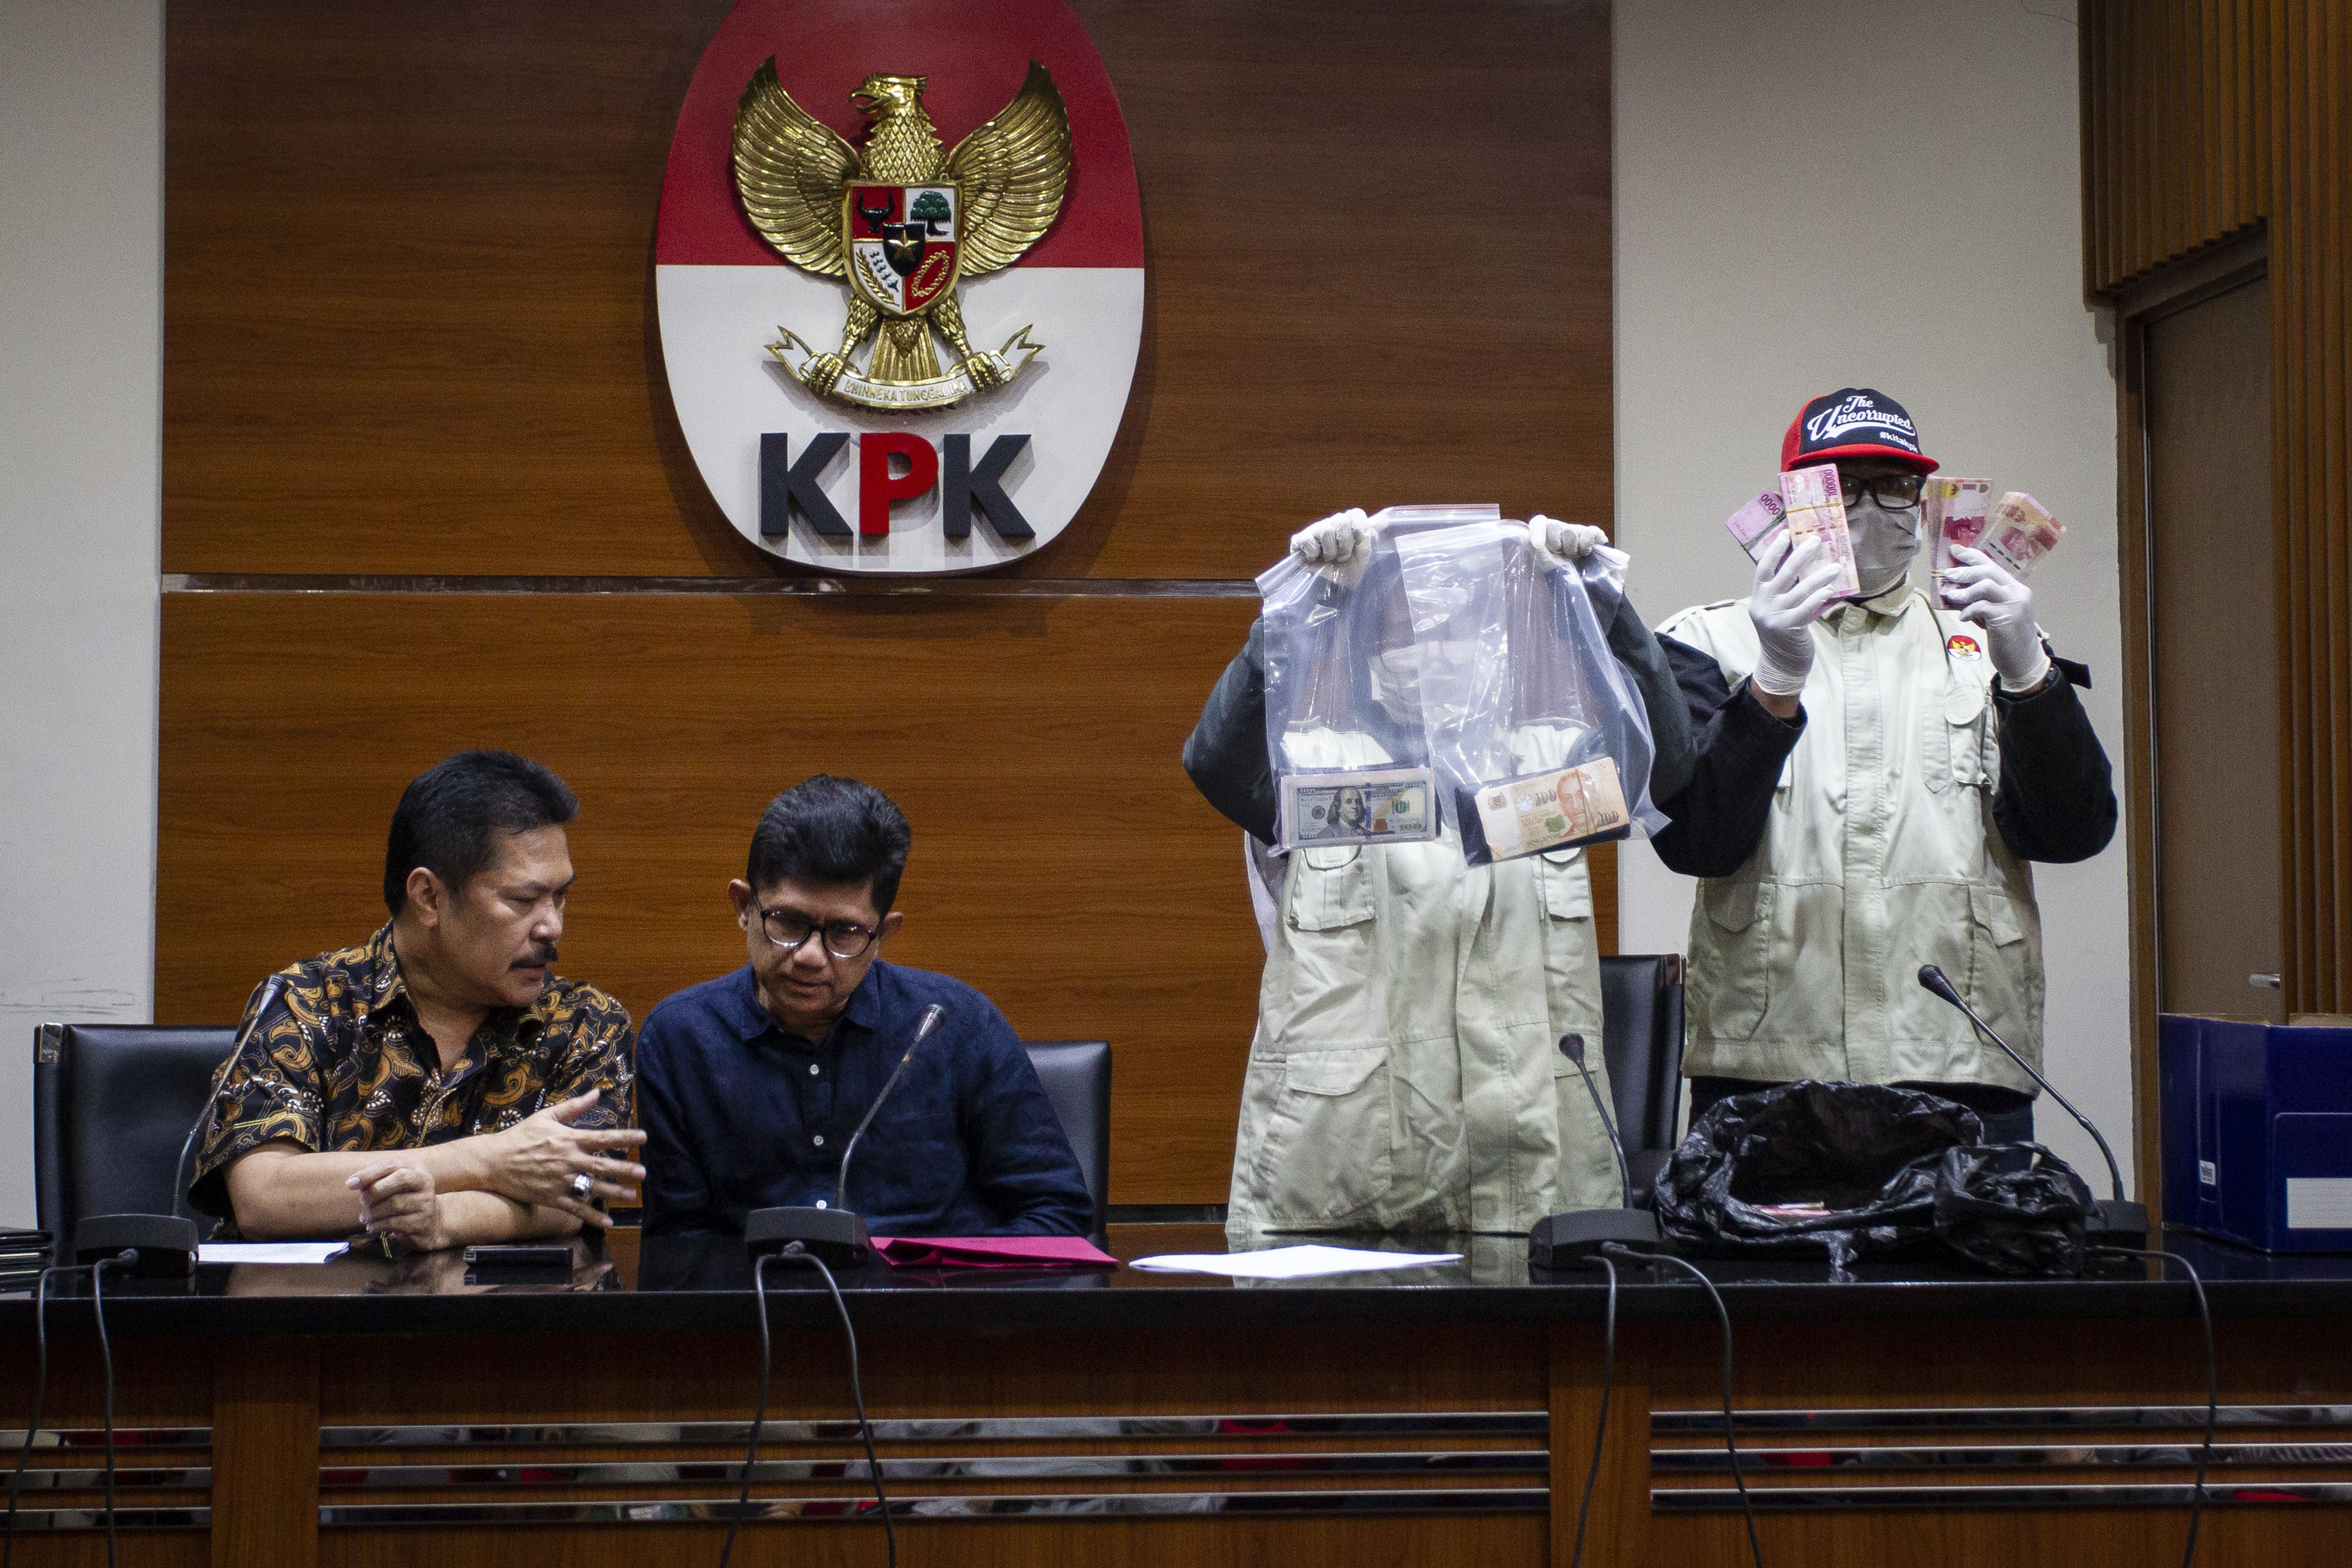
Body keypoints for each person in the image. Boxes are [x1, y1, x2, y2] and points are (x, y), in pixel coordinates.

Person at [1184, 511, 1695, 1236]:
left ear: (1492, 641)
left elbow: (1665, 769)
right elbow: (1213, 761)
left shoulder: (1547, 764)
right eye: (1402, 634)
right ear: (1368, 652)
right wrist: (1306, 604)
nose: (1432, 650)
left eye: (1456, 627)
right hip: (1346, 1165)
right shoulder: (1319, 766)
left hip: (1529, 1161)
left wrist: (1600, 605)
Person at [1651, 388, 2118, 1141]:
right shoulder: (1705, 643)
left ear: (1924, 502)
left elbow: (2072, 833)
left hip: (1961, 1059)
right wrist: (1772, 680)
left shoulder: (1989, 644)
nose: (1870, 507)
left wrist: (2029, 671)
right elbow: (1694, 843)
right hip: (1765, 1067)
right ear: (1789, 503)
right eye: (1841, 485)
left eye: (1894, 484)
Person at [189, 750, 644, 1249]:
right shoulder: (307, 1002)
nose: (551, 926)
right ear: (428, 896)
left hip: (496, 1300)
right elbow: (264, 1196)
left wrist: (443, 1217)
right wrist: (488, 1160)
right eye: (523, 900)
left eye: (560, 896)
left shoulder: (586, 1023)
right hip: (302, 1299)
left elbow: (571, 1194)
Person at [635, 775, 1091, 1237]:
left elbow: (1058, 1211)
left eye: (845, 932)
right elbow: (677, 1245)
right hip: (755, 1284)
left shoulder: (958, 1024)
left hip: (930, 1282)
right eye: (788, 921)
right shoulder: (679, 1040)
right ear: (744, 906)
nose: (810, 956)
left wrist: (940, 1269)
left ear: (884, 934)